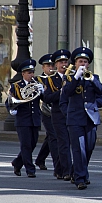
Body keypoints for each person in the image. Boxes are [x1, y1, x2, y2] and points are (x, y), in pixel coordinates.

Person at [60, 47, 102, 190]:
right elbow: (66, 93)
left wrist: (91, 79)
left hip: (91, 118)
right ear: (75, 63)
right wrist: (76, 77)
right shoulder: (69, 78)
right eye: (80, 61)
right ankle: (80, 178)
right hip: (75, 118)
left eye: (85, 62)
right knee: (79, 149)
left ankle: (78, 172)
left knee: (89, 148)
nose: (83, 64)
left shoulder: (94, 78)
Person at [8, 59, 44, 178]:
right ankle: (30, 169)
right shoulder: (16, 86)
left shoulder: (37, 84)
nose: (31, 75)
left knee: (32, 144)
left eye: (32, 72)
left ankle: (17, 163)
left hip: (34, 118)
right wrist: (11, 109)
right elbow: (9, 101)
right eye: (28, 73)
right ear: (23, 73)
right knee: (26, 145)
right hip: (22, 119)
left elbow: (45, 99)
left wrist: (43, 91)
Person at [43, 49, 71, 180]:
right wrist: (61, 93)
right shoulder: (50, 80)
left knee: (70, 143)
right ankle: (66, 171)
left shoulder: (73, 77)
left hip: (72, 113)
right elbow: (47, 98)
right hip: (58, 114)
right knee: (63, 142)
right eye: (60, 62)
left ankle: (59, 168)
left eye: (65, 61)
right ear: (56, 65)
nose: (63, 64)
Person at [34, 54, 58, 173]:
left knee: (50, 136)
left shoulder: (57, 78)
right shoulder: (38, 80)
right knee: (54, 136)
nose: (51, 67)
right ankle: (57, 165)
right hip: (45, 111)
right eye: (48, 65)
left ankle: (40, 159)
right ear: (43, 67)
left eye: (52, 65)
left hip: (58, 112)